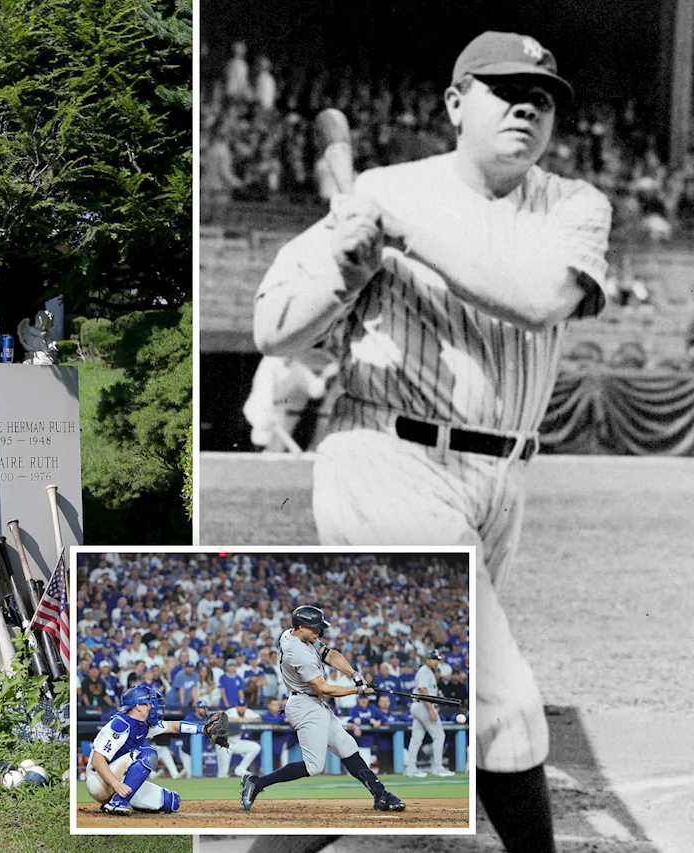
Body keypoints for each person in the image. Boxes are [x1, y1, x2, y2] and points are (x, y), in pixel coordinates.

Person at [251, 32, 608, 852]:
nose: (527, 104)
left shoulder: (577, 205)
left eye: (542, 95)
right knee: (505, 702)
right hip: (385, 460)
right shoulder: (380, 191)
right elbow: (274, 329)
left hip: (501, 477)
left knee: (414, 707)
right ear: (455, 103)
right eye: (503, 88)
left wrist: (401, 236)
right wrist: (343, 267)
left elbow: (537, 298)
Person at [241, 605, 405, 812]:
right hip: (305, 705)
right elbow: (323, 688)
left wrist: (355, 676)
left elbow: (329, 654)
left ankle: (381, 795)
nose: (319, 632)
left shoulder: (294, 635)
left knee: (347, 747)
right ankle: (256, 783)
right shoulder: (298, 653)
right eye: (315, 628)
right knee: (314, 766)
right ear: (301, 627)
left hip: (313, 703)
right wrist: (358, 691)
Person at [86, 685, 199, 815]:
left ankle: (117, 800)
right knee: (148, 753)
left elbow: (174, 726)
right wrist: (116, 784)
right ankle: (118, 802)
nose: (152, 707)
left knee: (172, 801)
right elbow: (97, 760)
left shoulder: (144, 725)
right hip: (99, 781)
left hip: (120, 780)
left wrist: (204, 729)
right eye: (148, 703)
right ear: (138, 706)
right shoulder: (120, 724)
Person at [405, 649, 455, 777]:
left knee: (416, 739)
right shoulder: (424, 671)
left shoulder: (428, 671)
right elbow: (423, 690)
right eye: (434, 659)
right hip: (423, 706)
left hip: (419, 706)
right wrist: (431, 709)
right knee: (439, 736)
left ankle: (411, 768)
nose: (436, 662)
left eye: (437, 659)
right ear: (427, 659)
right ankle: (437, 767)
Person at [220, 699, 264, 778]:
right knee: (223, 772)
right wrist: (239, 720)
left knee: (256, 747)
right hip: (224, 742)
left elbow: (259, 718)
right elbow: (223, 718)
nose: (242, 708)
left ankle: (241, 769)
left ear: (246, 707)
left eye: (243, 706)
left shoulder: (248, 712)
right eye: (240, 706)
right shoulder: (231, 711)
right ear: (236, 707)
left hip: (236, 742)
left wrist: (248, 720)